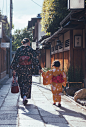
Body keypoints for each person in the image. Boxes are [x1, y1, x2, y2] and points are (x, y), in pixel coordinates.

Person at [10, 38, 42, 105]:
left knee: (21, 83)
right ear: (28, 42)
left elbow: (15, 59)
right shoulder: (30, 50)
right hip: (28, 69)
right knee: (28, 83)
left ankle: (24, 96)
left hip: (20, 69)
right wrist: (39, 67)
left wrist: (14, 68)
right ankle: (26, 97)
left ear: (23, 43)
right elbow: (35, 59)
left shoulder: (19, 49)